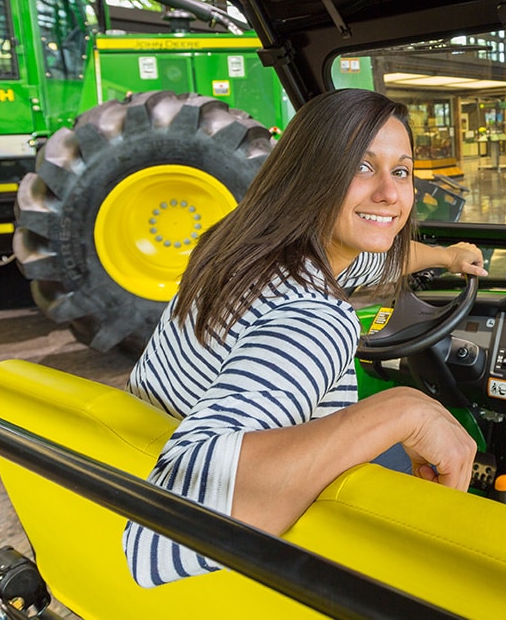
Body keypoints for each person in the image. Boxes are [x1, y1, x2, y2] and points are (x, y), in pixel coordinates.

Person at [123, 88, 486, 587]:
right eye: (362, 167)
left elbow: (376, 257)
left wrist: (447, 258)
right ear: (312, 174)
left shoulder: (237, 250)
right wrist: (404, 410)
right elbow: (160, 539)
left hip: (138, 446)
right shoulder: (313, 320)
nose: (390, 194)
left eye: (401, 171)